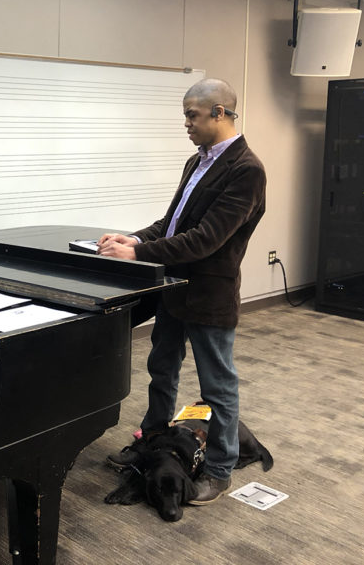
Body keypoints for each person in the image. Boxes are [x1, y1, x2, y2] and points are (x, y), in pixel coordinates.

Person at [97, 78, 266, 504]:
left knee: (217, 386)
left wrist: (137, 254)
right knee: (162, 368)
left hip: (210, 294)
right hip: (174, 289)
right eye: (185, 115)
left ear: (221, 113)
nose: (186, 124)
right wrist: (130, 240)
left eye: (192, 115)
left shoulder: (246, 170)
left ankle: (220, 469)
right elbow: (172, 224)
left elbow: (206, 239)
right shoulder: (197, 162)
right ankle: (152, 438)